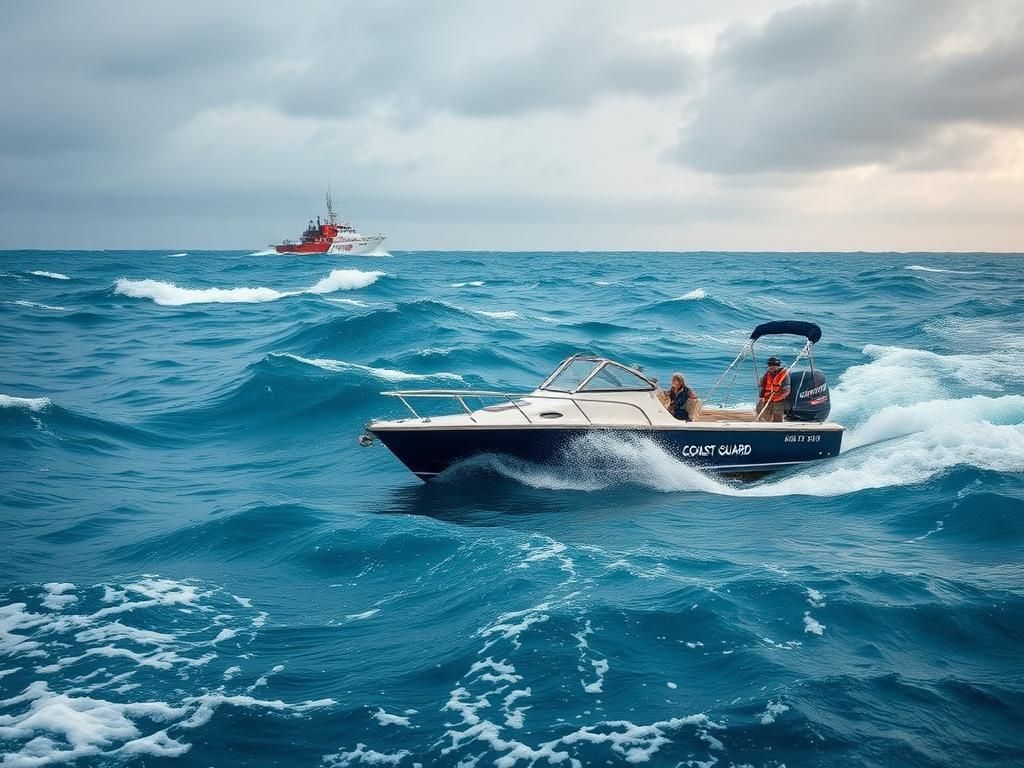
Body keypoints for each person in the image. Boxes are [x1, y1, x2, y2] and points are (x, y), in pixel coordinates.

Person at [758, 357, 790, 422]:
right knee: (761, 411)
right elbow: (763, 386)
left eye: (774, 365)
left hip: (779, 399)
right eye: (770, 365)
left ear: (778, 366)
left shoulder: (784, 375)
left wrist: (777, 397)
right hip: (768, 398)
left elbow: (787, 391)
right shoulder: (767, 375)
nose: (771, 367)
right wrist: (761, 396)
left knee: (777, 416)